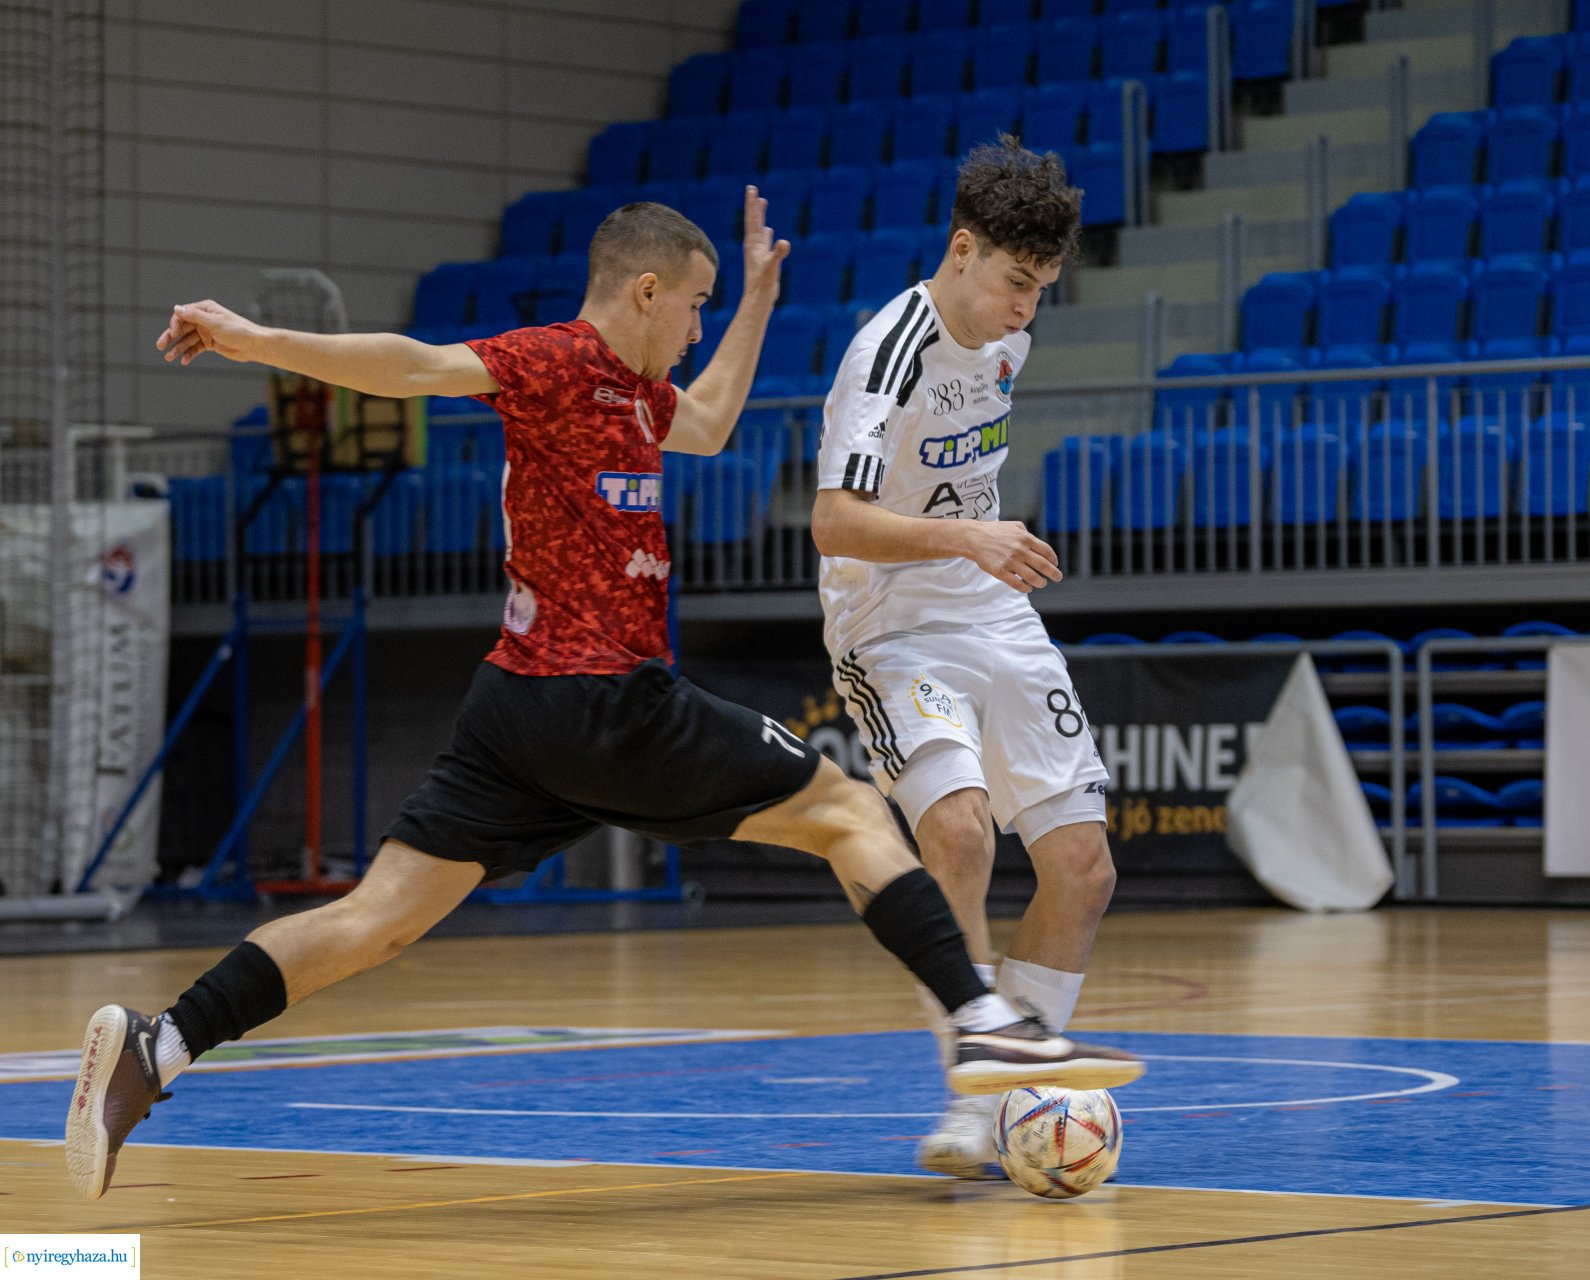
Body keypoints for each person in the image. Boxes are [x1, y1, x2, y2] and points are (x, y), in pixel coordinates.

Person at [65, 188, 1142, 1201]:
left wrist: (759, 299)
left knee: (372, 922)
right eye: (696, 304)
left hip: (518, 714)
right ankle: (982, 1020)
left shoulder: (636, 393)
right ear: (646, 290)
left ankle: (156, 1045)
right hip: (602, 698)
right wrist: (251, 337)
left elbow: (713, 421)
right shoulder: (553, 360)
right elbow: (409, 365)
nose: (694, 325)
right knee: (853, 812)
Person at [810, 140, 1120, 1180]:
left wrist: (979, 548)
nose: (1027, 310)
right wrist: (969, 537)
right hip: (890, 617)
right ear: (961, 250)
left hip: (987, 606)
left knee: (1084, 866)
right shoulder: (886, 352)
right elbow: (833, 521)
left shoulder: (1006, 343)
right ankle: (969, 1094)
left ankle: (1018, 1087)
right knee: (960, 832)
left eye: (1044, 290)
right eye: (1015, 283)